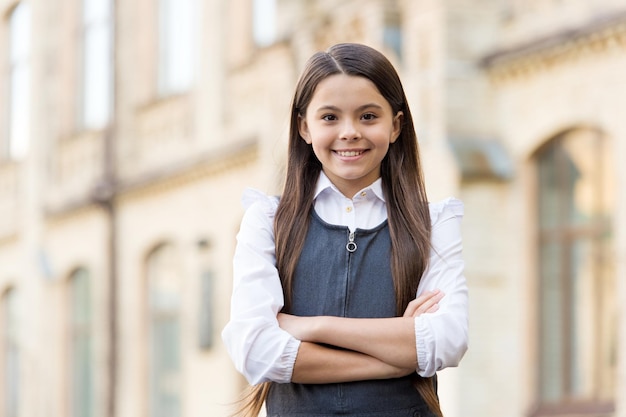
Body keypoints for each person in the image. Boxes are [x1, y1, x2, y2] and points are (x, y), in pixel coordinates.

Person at [222, 43, 468, 417]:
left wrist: (310, 326)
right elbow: (255, 349)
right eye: (330, 117)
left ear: (396, 125)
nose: (350, 132)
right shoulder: (267, 221)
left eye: (368, 116)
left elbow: (447, 341)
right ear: (304, 127)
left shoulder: (434, 225)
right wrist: (395, 356)